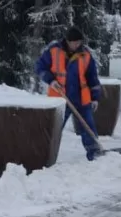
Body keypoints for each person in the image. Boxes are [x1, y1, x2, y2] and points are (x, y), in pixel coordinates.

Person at [36, 27, 104, 160]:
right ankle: (43, 154)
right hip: (59, 99)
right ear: (67, 41)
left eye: (79, 42)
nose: (76, 45)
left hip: (81, 98)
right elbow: (39, 67)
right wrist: (51, 80)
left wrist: (95, 98)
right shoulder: (54, 50)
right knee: (53, 129)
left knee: (88, 126)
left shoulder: (85, 55)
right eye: (74, 42)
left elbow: (92, 78)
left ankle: (94, 152)